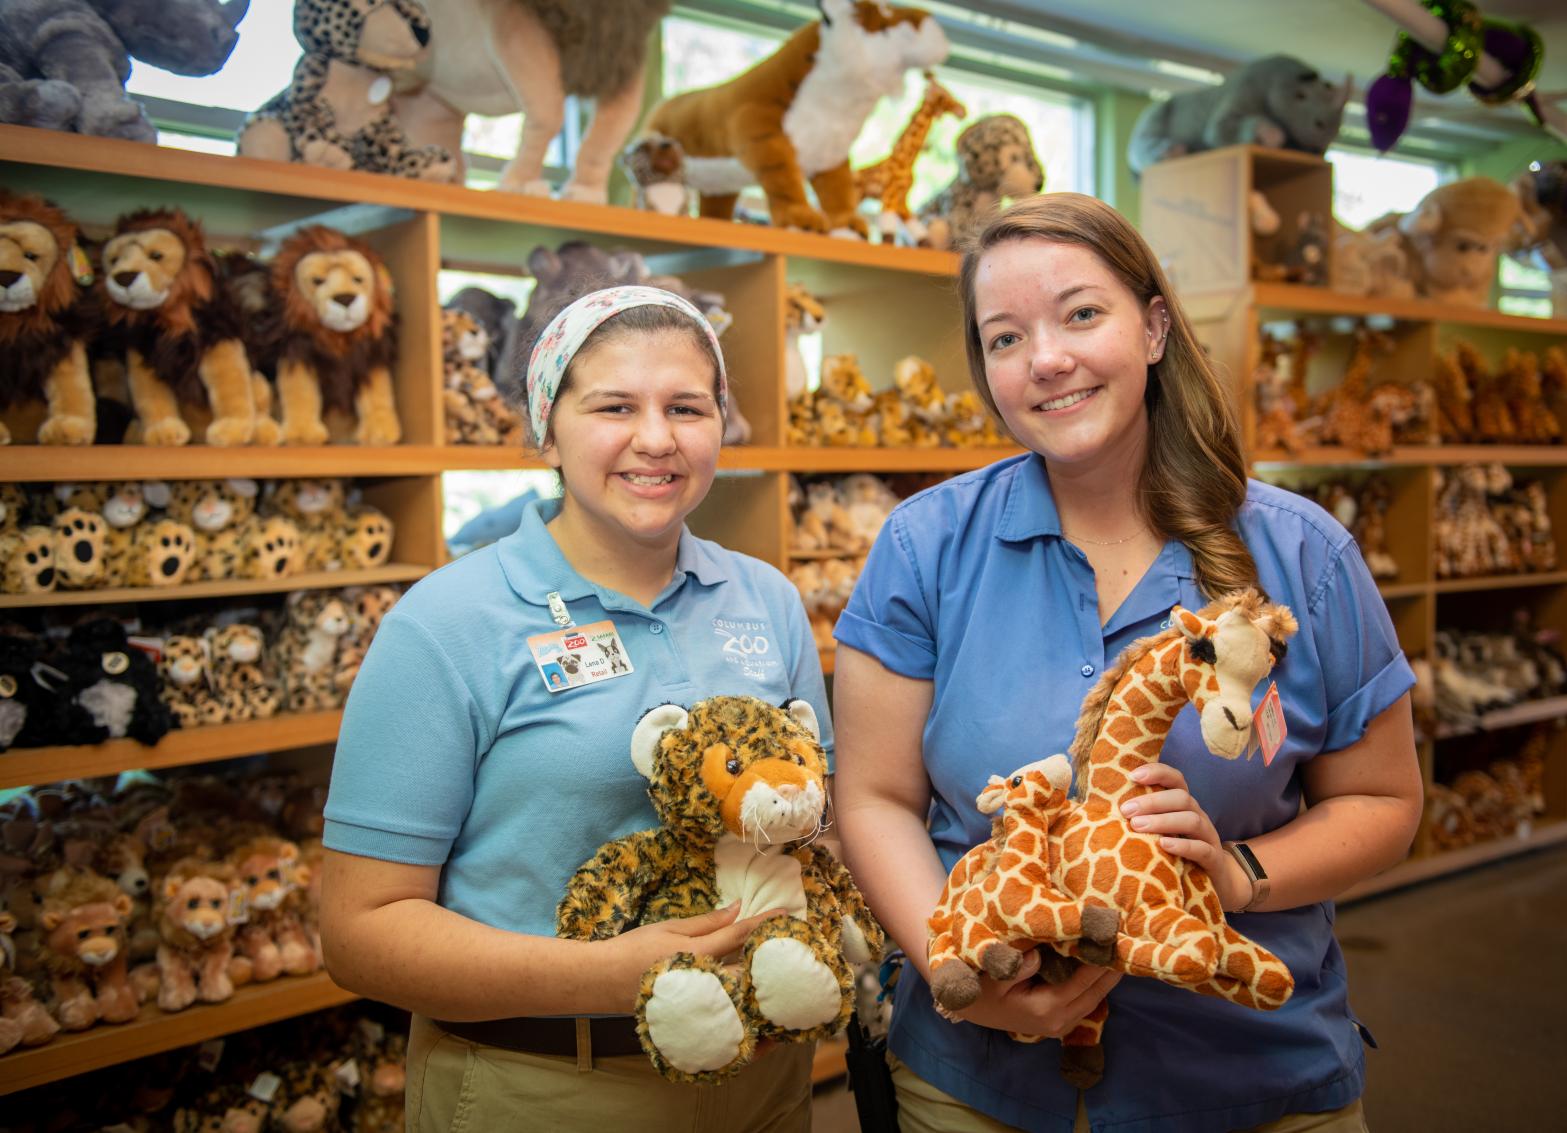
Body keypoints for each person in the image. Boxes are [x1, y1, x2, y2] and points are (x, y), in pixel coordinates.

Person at [833, 194, 1422, 1133]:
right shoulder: (924, 548)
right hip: (976, 1085)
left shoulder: (1303, 556)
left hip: (1250, 1080)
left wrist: (1237, 872)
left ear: (1153, 328)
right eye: (1006, 337)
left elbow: (1383, 801)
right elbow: (873, 798)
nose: (1046, 359)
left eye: (1081, 314)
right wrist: (960, 968)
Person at [320, 285, 831, 1132]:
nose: (656, 439)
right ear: (547, 429)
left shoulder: (765, 599)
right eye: (614, 406)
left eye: (687, 407)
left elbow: (814, 827)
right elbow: (358, 933)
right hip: (549, 1082)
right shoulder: (447, 622)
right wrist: (606, 975)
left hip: (765, 1077)